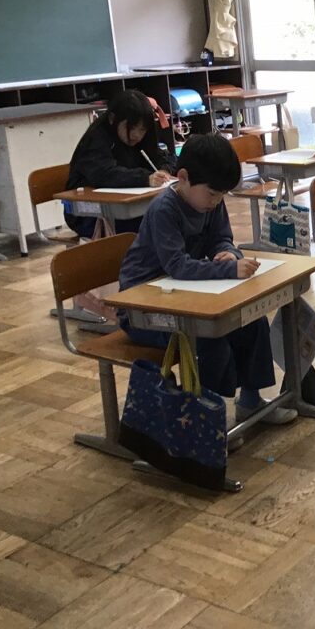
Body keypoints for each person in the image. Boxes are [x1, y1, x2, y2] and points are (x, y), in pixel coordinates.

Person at [118, 133, 294, 424]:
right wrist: (227, 270)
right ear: (183, 178)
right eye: (212, 194)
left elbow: (221, 238)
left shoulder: (210, 202)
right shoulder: (164, 209)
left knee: (252, 320)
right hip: (143, 310)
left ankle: (250, 402)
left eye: (222, 195)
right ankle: (208, 422)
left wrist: (228, 253)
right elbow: (177, 266)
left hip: (184, 297)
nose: (216, 201)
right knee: (211, 338)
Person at [65, 89, 175, 238]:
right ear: (112, 118)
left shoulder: (142, 139)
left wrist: (164, 170)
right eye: (131, 127)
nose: (137, 135)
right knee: (155, 222)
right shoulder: (96, 139)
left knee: (167, 216)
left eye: (142, 129)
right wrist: (145, 178)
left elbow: (164, 157)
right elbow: (105, 174)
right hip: (87, 212)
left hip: (126, 206)